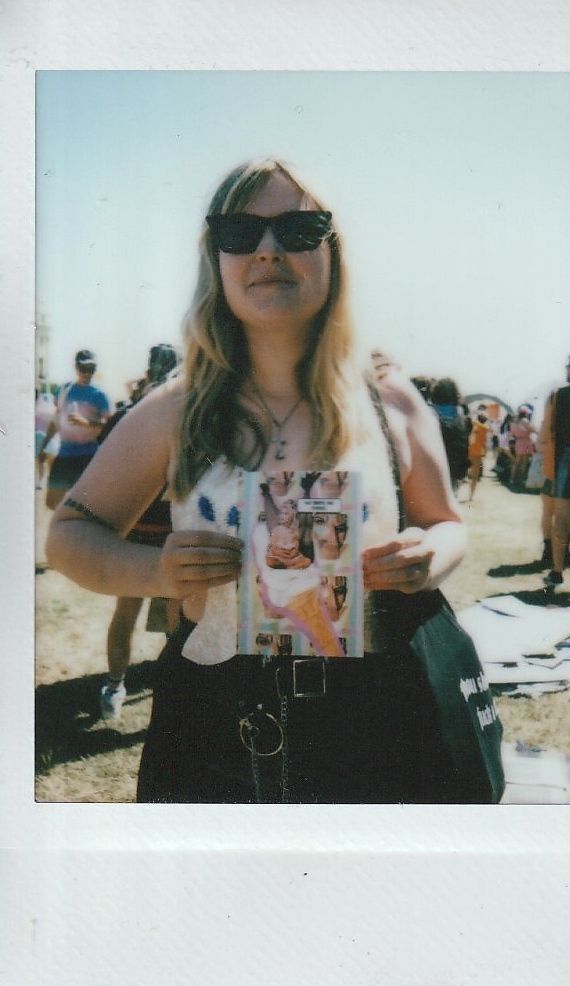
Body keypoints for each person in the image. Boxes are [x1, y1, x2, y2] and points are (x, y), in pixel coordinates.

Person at [47, 157, 492, 804]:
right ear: (216, 260)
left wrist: (430, 556)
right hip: (214, 722)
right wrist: (158, 573)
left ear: (332, 252)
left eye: (297, 229)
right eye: (239, 233)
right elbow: (68, 536)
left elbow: (448, 523)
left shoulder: (390, 399)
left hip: (379, 718)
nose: (266, 250)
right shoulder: (178, 407)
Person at [97, 344, 179, 720]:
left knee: (128, 612)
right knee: (177, 620)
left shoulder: (130, 412)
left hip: (137, 527)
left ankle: (115, 686)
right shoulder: (185, 413)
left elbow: (105, 462)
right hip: (171, 529)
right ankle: (177, 692)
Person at [38, 350, 110, 510]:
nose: (87, 373)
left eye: (91, 368)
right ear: (76, 368)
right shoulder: (64, 390)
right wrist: (43, 447)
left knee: (89, 505)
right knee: (52, 502)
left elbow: (108, 424)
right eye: (84, 368)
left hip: (88, 456)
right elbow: (55, 422)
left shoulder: (99, 394)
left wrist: (86, 423)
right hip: (64, 454)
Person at [543, 353, 570, 589]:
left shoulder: (561, 395)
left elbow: (550, 431)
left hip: (567, 459)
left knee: (562, 519)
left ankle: (556, 572)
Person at [467, 410, 491, 501]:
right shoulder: (485, 427)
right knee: (474, 476)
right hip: (478, 452)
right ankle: (471, 495)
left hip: (470, 450)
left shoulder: (474, 425)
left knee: (464, 472)